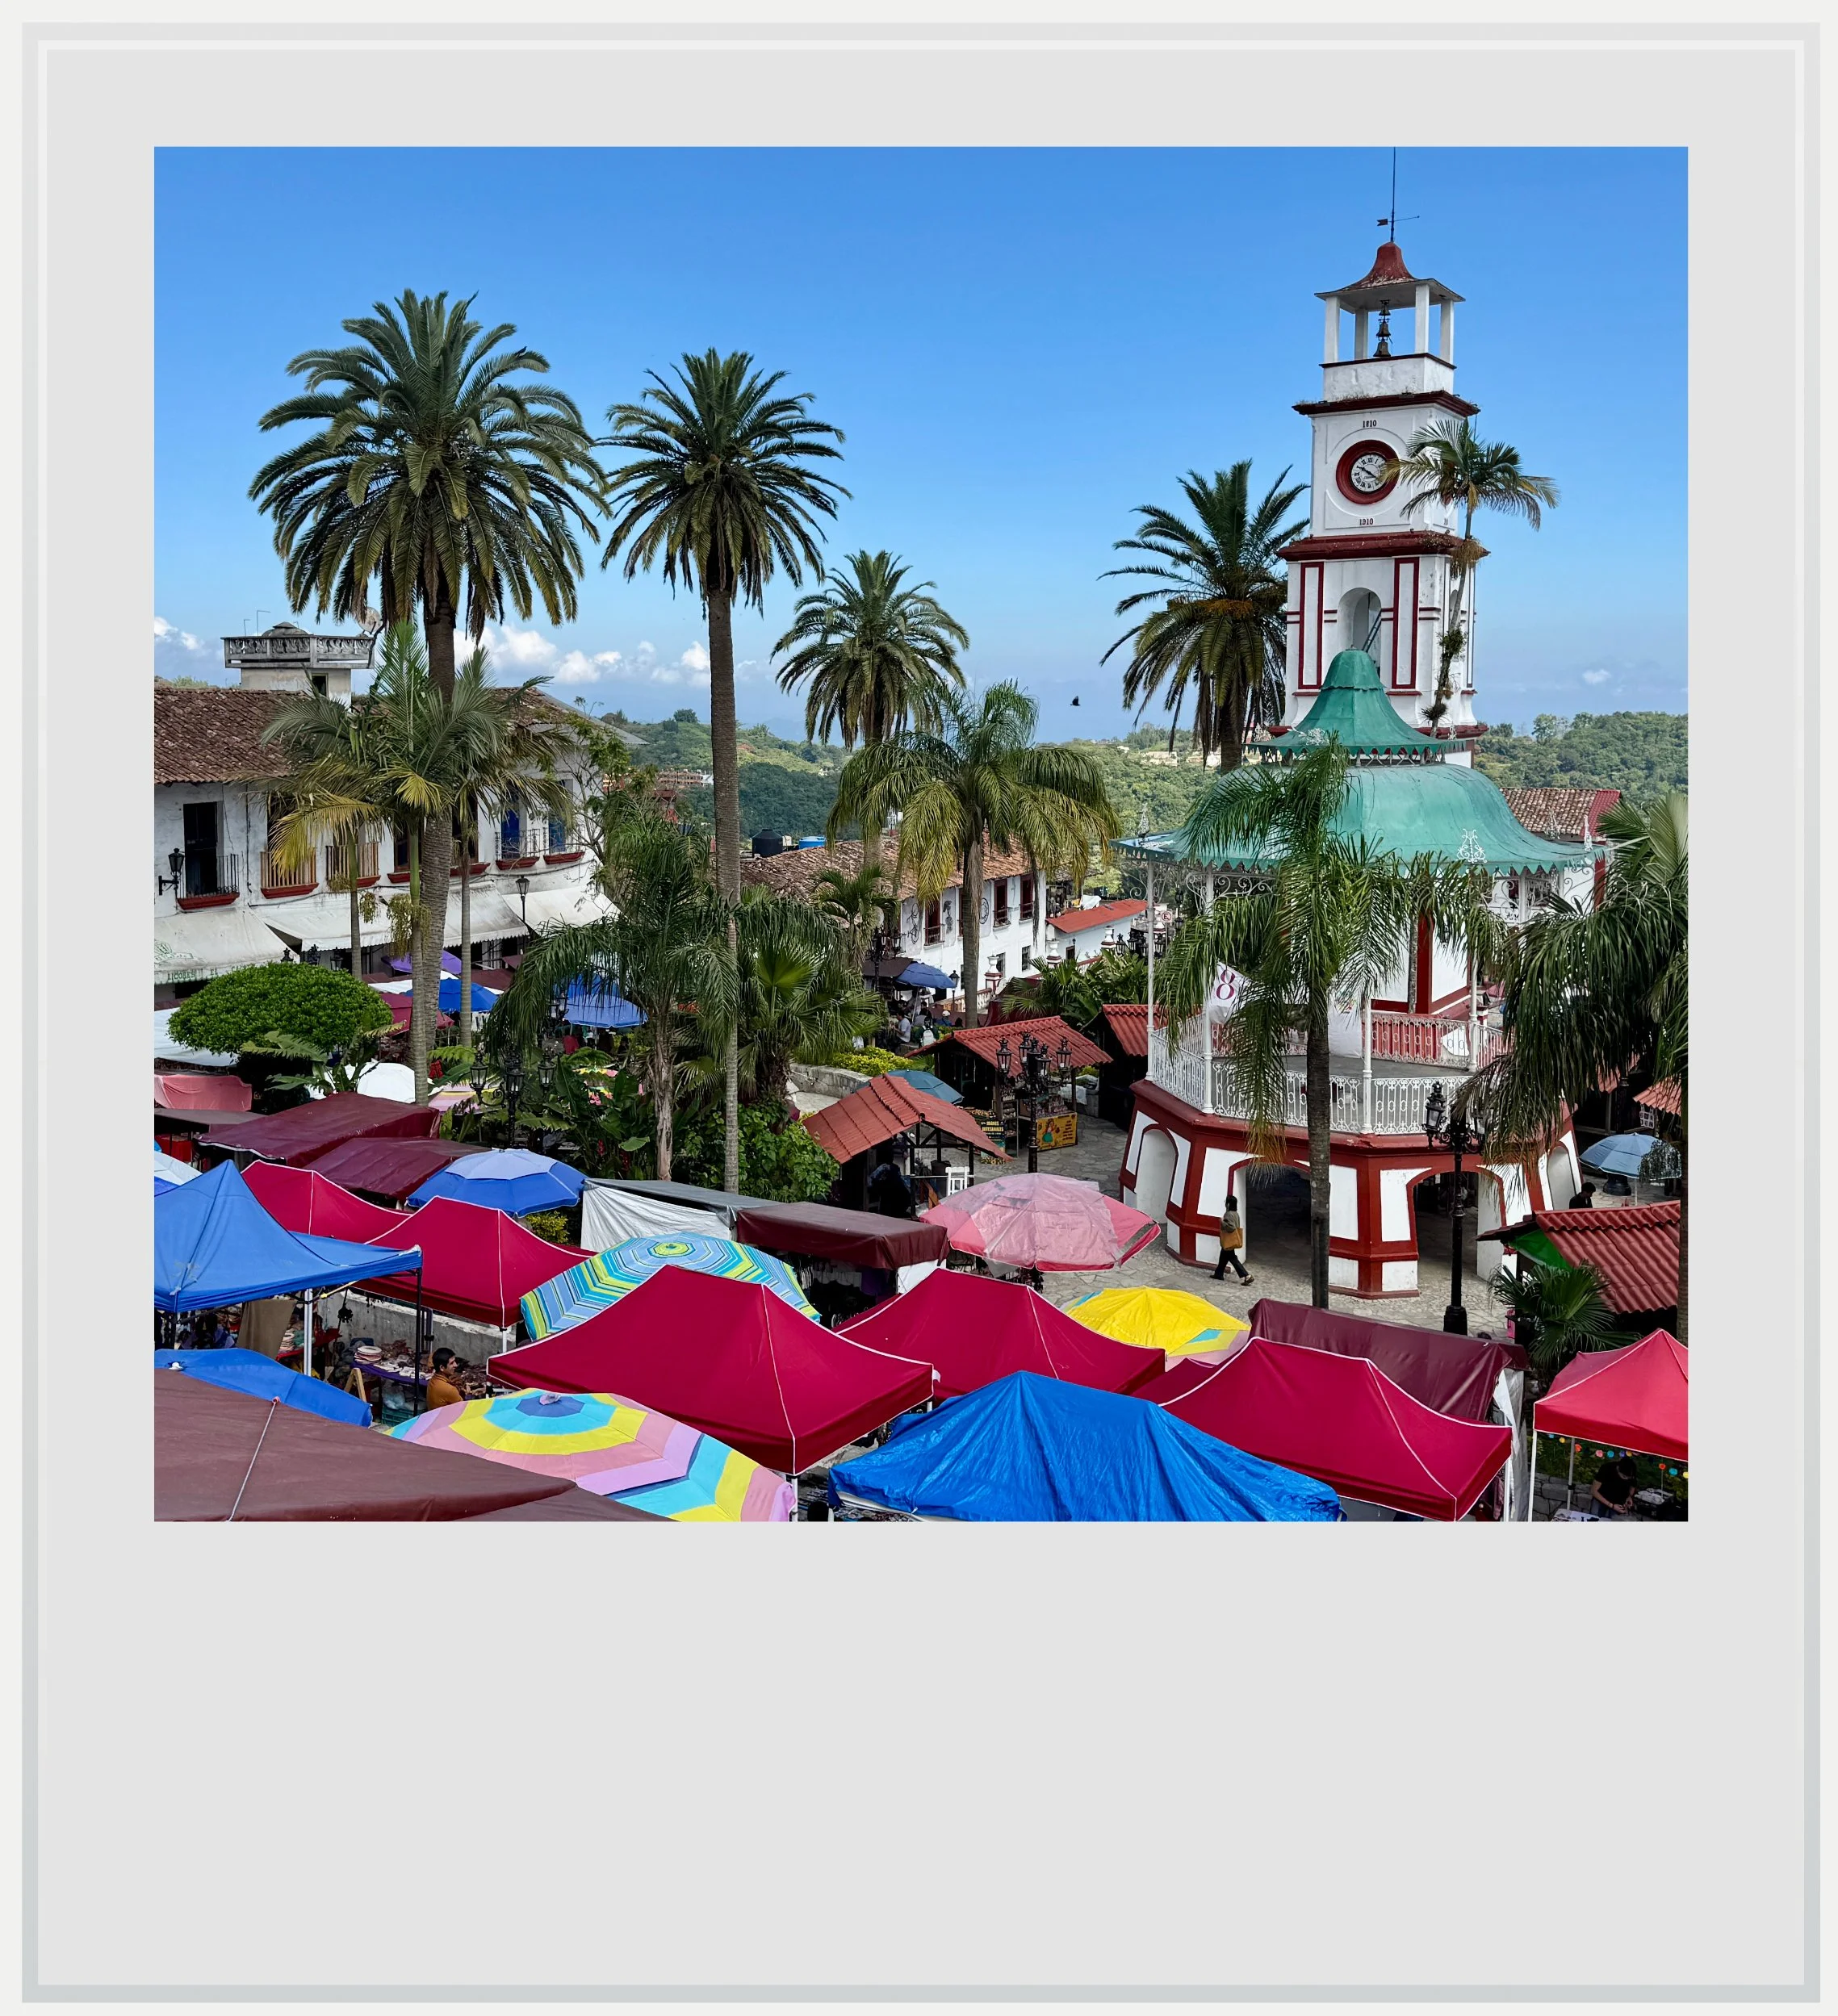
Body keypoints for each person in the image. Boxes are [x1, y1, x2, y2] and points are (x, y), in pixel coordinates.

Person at [1212, 1193, 1253, 1284]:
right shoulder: (1235, 1214)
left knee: (1232, 1258)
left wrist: (1222, 1222)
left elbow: (1231, 1227)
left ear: (1228, 1204)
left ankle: (1246, 1275)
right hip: (1233, 1240)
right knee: (1223, 1257)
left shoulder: (1229, 1214)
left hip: (1229, 1240)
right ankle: (1218, 1274)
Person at [1591, 1453, 1639, 1520]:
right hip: (1601, 1499)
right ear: (1618, 1469)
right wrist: (1611, 1505)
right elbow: (1594, 1491)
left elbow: (1632, 1486)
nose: (1627, 1479)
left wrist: (1629, 1497)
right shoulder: (1606, 1468)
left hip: (1619, 1503)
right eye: (1624, 1477)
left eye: (1629, 1478)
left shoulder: (1631, 1473)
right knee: (1595, 1520)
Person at [426, 1348, 467, 1412]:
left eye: (455, 1361)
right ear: (442, 1368)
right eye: (452, 1363)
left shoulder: (433, 1380)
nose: (456, 1365)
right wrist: (466, 1392)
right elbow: (463, 1409)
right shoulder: (449, 1389)